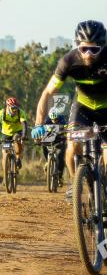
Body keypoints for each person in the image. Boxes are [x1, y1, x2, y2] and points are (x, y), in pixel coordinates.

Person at [33, 21, 107, 197]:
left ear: (103, 47)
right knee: (72, 145)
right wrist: (38, 123)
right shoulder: (68, 61)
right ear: (77, 46)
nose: (88, 54)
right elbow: (47, 93)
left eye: (94, 49)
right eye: (83, 49)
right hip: (82, 107)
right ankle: (76, 184)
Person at [0, 97, 28, 168]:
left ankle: (18, 158)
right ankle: (5, 176)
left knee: (17, 139)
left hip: (17, 131)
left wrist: (23, 136)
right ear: (8, 107)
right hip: (6, 133)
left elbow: (24, 125)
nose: (15, 110)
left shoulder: (21, 112)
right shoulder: (2, 113)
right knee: (4, 153)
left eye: (16, 108)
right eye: (13, 108)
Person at [35, 106, 68, 185]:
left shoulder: (62, 119)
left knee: (60, 156)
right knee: (43, 145)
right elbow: (43, 129)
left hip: (60, 139)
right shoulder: (47, 119)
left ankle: (60, 177)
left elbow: (67, 128)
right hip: (51, 138)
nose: (54, 121)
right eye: (52, 119)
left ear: (58, 116)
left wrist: (64, 132)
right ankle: (47, 161)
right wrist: (39, 139)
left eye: (55, 119)